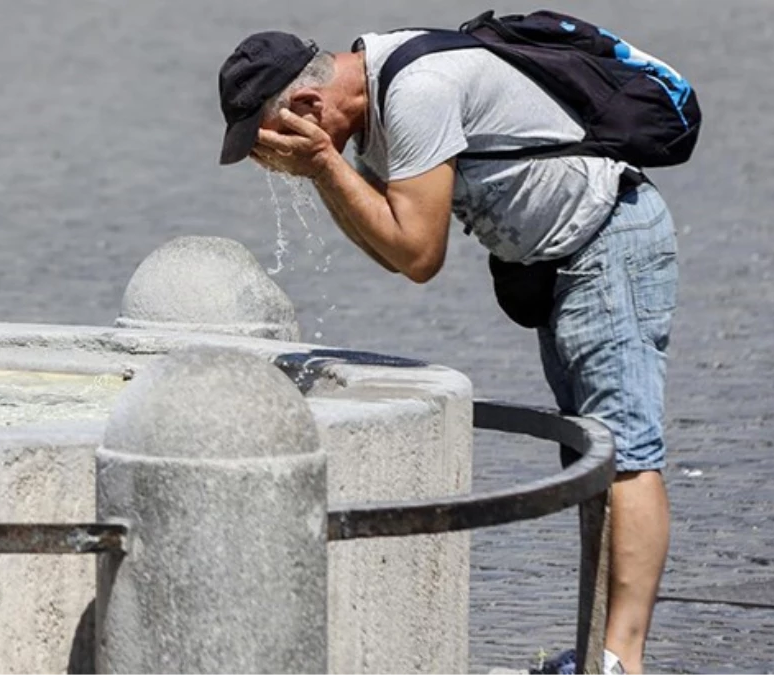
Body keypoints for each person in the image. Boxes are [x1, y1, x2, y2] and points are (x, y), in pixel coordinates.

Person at [217, 27, 679, 675]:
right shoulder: (376, 103)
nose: (271, 160)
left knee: (625, 454)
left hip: (609, 241)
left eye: (269, 139)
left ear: (308, 108)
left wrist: (324, 166)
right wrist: (331, 170)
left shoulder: (415, 94)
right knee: (594, 454)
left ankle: (620, 662)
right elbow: (394, 251)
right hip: (569, 257)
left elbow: (418, 252)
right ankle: (601, 649)